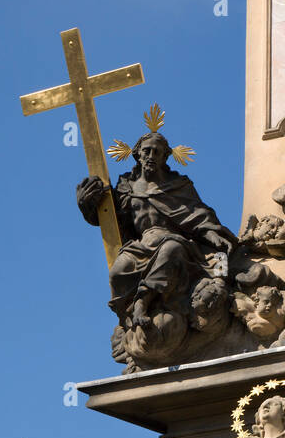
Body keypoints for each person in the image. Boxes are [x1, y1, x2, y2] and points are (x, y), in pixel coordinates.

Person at [77, 131, 236, 326]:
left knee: (171, 250)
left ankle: (141, 303)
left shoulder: (178, 185)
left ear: (165, 157)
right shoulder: (125, 188)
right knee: (117, 272)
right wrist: (87, 204)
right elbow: (109, 220)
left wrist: (212, 233)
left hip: (171, 239)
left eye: (157, 152)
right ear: (138, 154)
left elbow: (197, 214)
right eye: (147, 151)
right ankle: (128, 322)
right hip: (141, 245)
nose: (151, 156)